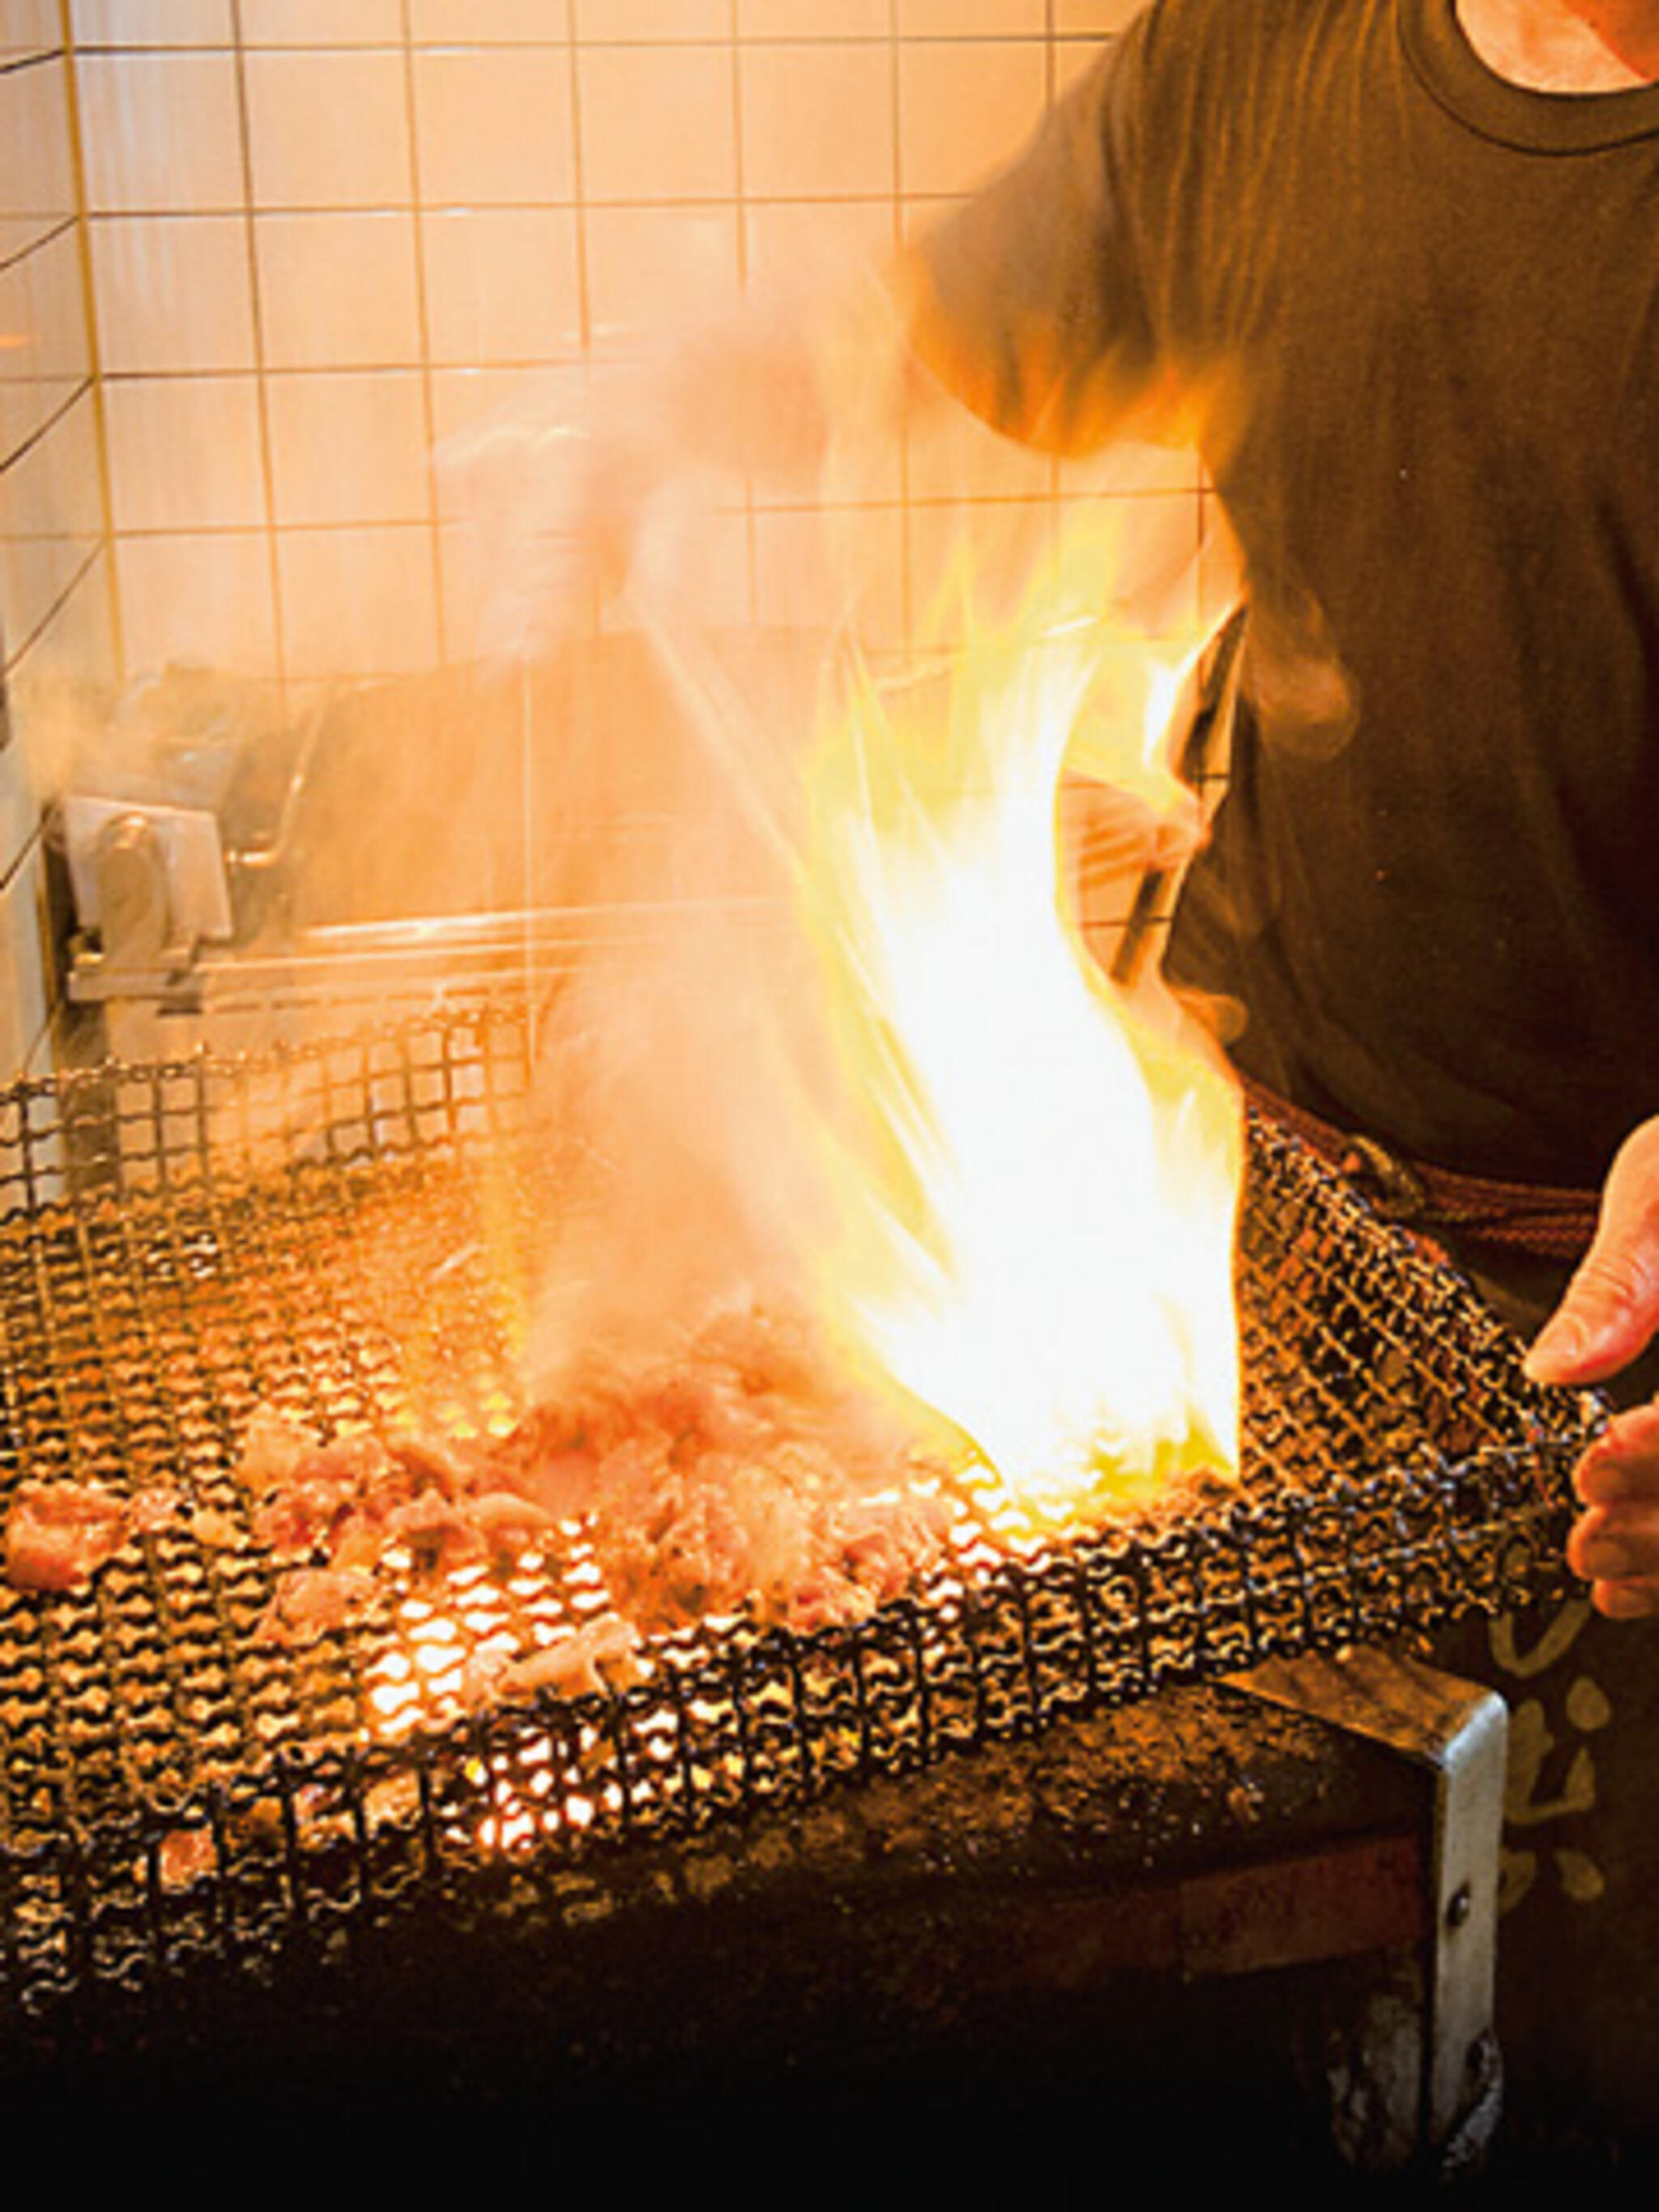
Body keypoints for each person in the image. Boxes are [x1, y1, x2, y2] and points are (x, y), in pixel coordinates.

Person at [482, 0, 1659, 2159]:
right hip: (1265, 1277)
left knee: (1577, 2063)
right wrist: (687, 384)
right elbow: (920, 325)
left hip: (1624, 1350)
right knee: (1231, 2043)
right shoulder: (1275, 48)